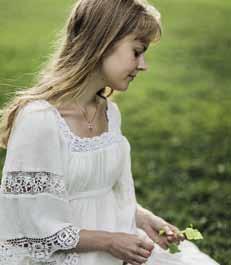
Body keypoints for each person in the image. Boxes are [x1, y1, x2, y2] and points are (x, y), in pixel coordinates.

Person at [0, 0, 219, 264]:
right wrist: (110, 241)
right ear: (102, 43)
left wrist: (142, 217)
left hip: (118, 243)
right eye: (137, 52)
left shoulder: (109, 113)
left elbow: (99, 192)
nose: (143, 65)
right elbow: (29, 228)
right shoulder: (39, 120)